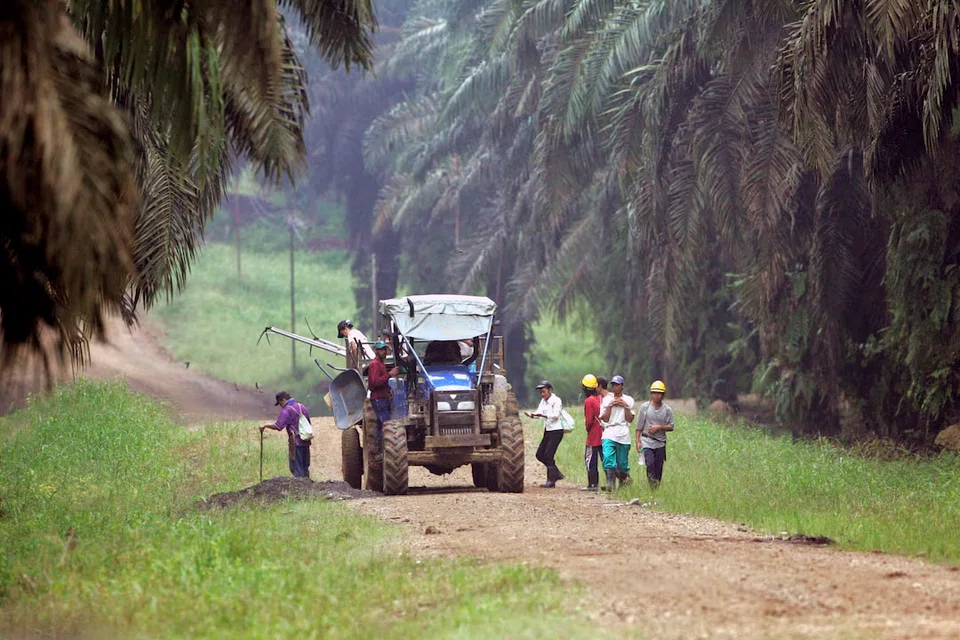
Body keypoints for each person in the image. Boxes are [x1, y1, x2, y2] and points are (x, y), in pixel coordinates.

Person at [260, 391, 312, 479]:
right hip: (306, 440)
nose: (280, 406)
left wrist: (265, 426)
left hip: (295, 443)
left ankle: (301, 488)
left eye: (280, 403)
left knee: (296, 468)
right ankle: (308, 486)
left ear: (283, 400)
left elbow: (278, 426)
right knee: (304, 466)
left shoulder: (287, 410)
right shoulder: (302, 407)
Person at [525, 380, 565, 488]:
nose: (542, 394)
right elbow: (539, 413)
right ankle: (556, 473)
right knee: (539, 454)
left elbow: (556, 415)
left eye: (544, 392)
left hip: (556, 430)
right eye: (541, 392)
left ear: (550, 390)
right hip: (548, 430)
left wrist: (544, 415)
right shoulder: (543, 401)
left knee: (548, 455)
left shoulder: (556, 400)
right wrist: (532, 415)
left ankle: (551, 480)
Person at [636, 380, 674, 489]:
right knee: (650, 464)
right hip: (647, 441)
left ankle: (656, 486)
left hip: (660, 443)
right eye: (655, 393)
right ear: (651, 394)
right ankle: (652, 485)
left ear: (663, 395)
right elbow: (639, 427)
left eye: (659, 393)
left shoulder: (667, 410)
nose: (657, 396)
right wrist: (638, 441)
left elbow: (671, 426)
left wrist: (659, 427)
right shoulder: (645, 407)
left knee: (658, 467)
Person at [599, 375, 635, 490]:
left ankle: (624, 483)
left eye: (617, 385)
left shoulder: (628, 400)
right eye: (613, 385)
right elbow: (604, 418)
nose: (615, 387)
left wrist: (625, 406)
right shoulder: (606, 400)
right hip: (610, 430)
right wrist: (611, 405)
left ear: (622, 386)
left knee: (622, 463)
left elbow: (630, 419)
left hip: (623, 432)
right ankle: (611, 483)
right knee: (608, 456)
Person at [367, 340, 400, 457]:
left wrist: (388, 388)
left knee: (382, 424)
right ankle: (380, 451)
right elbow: (374, 383)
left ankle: (377, 450)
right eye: (381, 349)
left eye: (384, 349)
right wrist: (390, 374)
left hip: (382, 397)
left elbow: (381, 381)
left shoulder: (380, 363)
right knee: (386, 423)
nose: (383, 351)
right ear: (376, 351)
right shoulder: (375, 364)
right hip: (378, 398)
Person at [581, 374, 603, 491]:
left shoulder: (588, 401)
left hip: (593, 436)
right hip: (603, 434)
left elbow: (589, 420)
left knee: (590, 459)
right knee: (605, 459)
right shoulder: (600, 398)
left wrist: (587, 428)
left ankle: (593, 484)